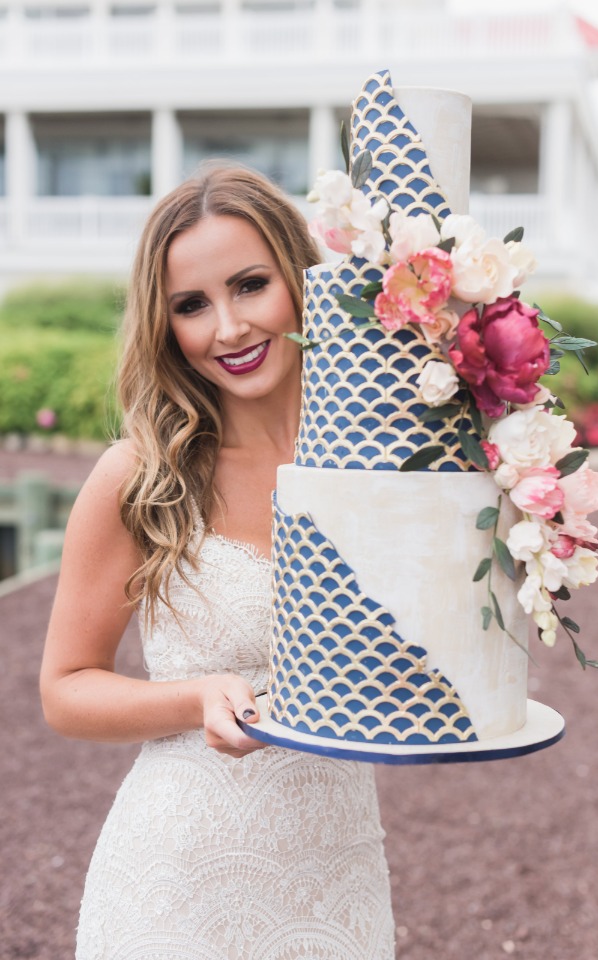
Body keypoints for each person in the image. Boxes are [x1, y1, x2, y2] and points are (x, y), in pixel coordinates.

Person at [40, 164, 396, 959]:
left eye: (250, 285)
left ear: (301, 278)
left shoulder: (384, 457)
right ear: (163, 325)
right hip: (173, 886)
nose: (228, 328)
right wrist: (198, 695)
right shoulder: (140, 475)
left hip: (338, 877)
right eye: (191, 305)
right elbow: (65, 692)